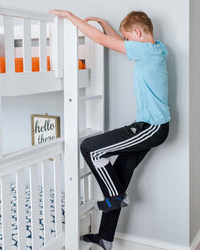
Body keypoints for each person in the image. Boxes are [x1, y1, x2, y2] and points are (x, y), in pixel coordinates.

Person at [49, 9, 171, 250]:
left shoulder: (147, 52)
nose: (125, 44)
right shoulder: (155, 49)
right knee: (118, 175)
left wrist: (68, 16)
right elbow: (115, 42)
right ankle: (105, 238)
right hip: (151, 126)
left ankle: (116, 197)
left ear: (137, 32)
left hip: (151, 127)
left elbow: (105, 42)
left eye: (128, 38)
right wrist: (105, 23)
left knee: (90, 149)